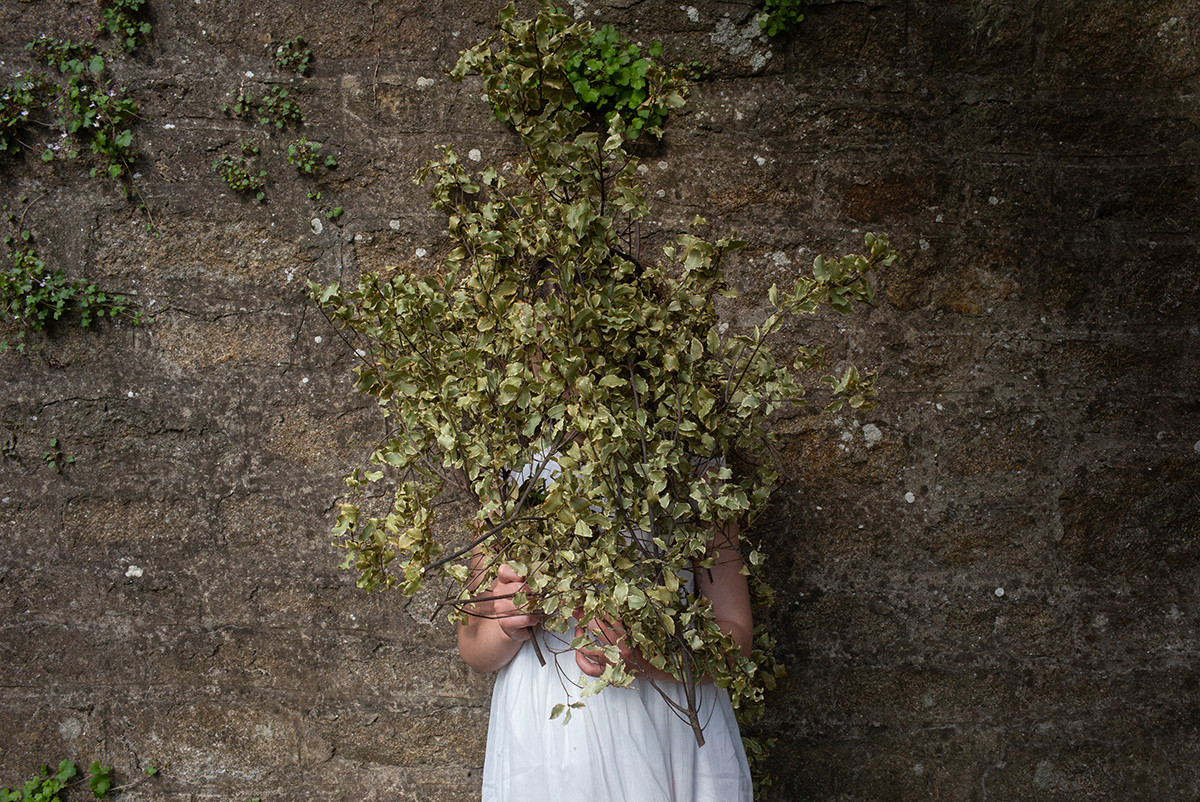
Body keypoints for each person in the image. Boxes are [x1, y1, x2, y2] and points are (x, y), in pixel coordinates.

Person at [457, 455, 756, 802]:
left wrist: (647, 659)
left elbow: (737, 643)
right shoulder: (506, 460)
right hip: (546, 729)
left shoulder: (691, 458)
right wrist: (506, 624)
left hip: (666, 721)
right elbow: (472, 646)